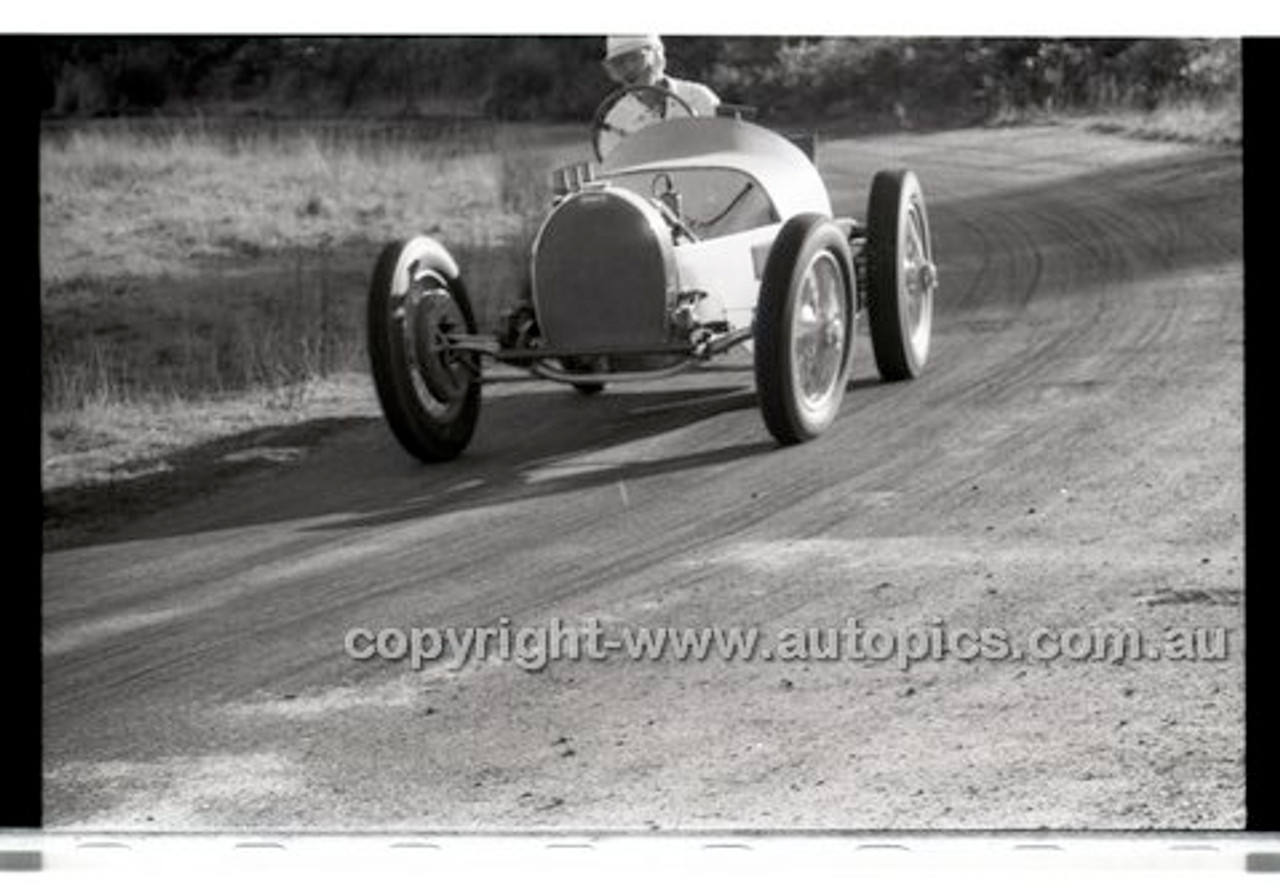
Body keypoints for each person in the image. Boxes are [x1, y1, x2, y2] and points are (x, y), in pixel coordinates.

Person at [600, 35, 719, 134]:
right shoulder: (616, 120)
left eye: (635, 59)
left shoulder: (698, 98)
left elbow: (723, 144)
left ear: (657, 56)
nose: (629, 69)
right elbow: (613, 159)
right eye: (619, 64)